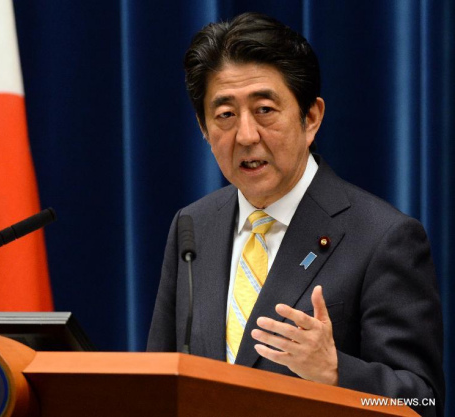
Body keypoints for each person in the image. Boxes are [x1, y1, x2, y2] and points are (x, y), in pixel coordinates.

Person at [147, 12, 444, 416]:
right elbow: (159, 374)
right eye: (225, 115)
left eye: (265, 109)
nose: (247, 135)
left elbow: (422, 400)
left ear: (311, 118)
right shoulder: (193, 225)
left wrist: (336, 371)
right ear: (203, 126)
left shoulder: (383, 237)